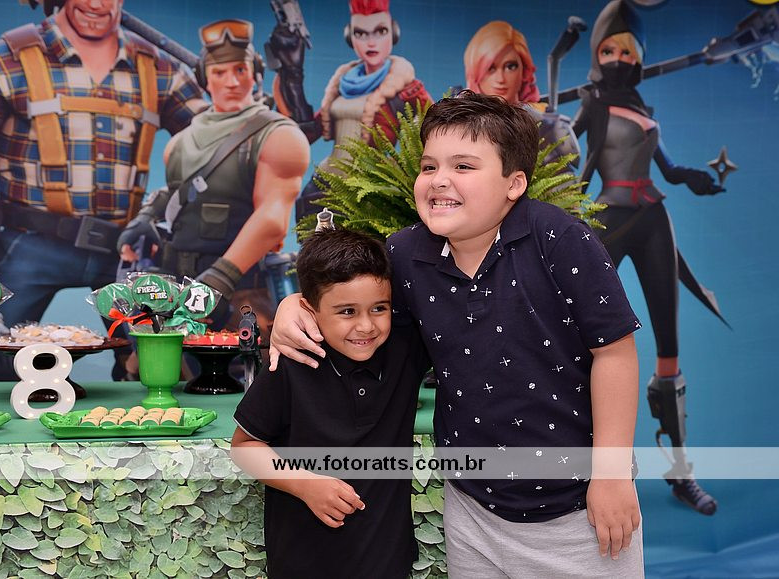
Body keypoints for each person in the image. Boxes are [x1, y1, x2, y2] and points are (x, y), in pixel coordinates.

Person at [269, 91, 645, 576]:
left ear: (514, 183)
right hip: (472, 510)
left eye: (463, 166)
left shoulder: (560, 239)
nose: (439, 179)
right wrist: (293, 305)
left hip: (578, 511)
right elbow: (349, 298)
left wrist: (611, 476)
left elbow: (615, 353)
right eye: (429, 166)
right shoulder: (405, 254)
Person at [0, 0, 206, 379]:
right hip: (31, 242)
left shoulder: (160, 69)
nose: (97, 4)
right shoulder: (1, 61)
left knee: (168, 365)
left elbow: (216, 149)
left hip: (125, 249)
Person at [572, 0, 724, 515]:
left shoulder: (642, 107)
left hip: (654, 217)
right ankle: (579, 465)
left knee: (668, 344)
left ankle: (681, 472)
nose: (618, 59)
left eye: (627, 51)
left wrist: (694, 178)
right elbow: (568, 154)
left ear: (638, 58)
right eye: (608, 51)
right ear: (596, 56)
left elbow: (668, 167)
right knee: (580, 338)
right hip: (609, 219)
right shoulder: (593, 105)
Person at [230, 228, 430, 579]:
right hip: (302, 563)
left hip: (386, 561)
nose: (366, 326)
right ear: (311, 310)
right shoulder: (291, 363)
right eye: (347, 311)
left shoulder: (406, 349)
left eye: (379, 308)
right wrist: (305, 485)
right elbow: (244, 447)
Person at [117, 19, 309, 333]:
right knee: (154, 361)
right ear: (205, 78)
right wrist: (145, 217)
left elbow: (272, 217)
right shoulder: (180, 142)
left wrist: (221, 278)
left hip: (240, 292)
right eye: (220, 72)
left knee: (247, 359)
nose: (231, 82)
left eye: (240, 70)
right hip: (175, 291)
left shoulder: (279, 136)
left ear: (255, 74)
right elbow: (176, 192)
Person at [267, 0, 432, 221]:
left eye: (380, 31)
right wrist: (292, 74)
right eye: (360, 33)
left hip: (367, 190)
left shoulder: (407, 88)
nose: (370, 42)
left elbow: (434, 134)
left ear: (394, 33)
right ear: (350, 37)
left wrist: (397, 175)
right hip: (325, 183)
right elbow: (306, 133)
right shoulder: (342, 84)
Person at [463, 20, 579, 168]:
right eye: (491, 68)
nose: (500, 79)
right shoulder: (459, 121)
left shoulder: (546, 126)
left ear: (524, 71)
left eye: (510, 66)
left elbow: (563, 179)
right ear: (476, 73)